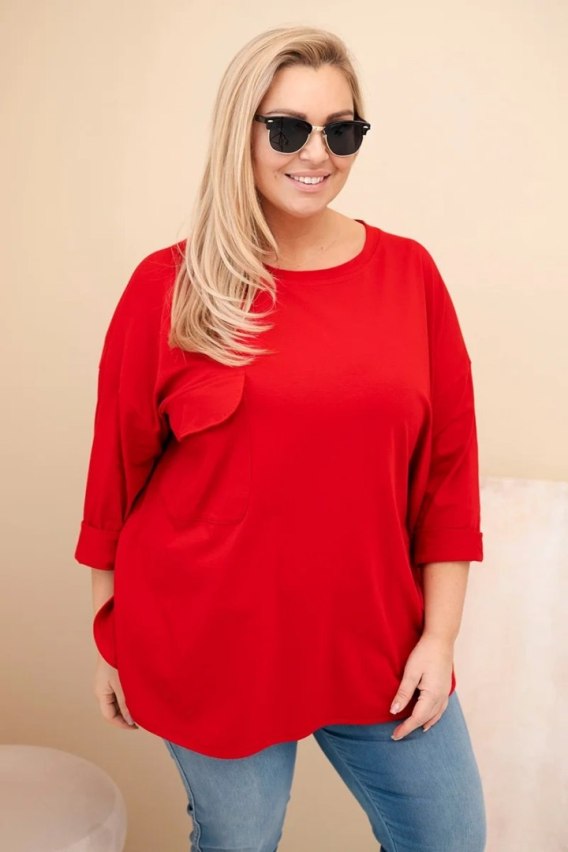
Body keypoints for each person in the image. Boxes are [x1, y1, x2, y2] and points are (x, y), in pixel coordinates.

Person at [74, 24, 487, 852]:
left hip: (373, 636)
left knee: (449, 836)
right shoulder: (169, 288)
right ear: (243, 130)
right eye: (288, 127)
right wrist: (109, 638)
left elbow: (448, 473)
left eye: (342, 130)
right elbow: (115, 481)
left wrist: (439, 638)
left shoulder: (409, 276)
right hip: (211, 646)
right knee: (241, 841)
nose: (316, 154)